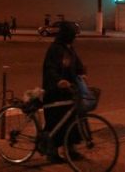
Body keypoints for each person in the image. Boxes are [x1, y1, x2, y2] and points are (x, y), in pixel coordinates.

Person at [42, 21, 87, 163]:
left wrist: (82, 73)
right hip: (55, 92)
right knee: (55, 122)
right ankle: (52, 152)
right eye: (73, 35)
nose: (75, 38)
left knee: (72, 120)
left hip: (68, 91)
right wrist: (58, 81)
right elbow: (50, 69)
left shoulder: (69, 48)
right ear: (67, 35)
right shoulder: (55, 49)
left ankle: (71, 149)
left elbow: (78, 64)